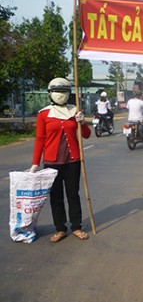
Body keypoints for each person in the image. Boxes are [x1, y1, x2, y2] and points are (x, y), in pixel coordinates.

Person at [29, 77, 91, 243]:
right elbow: (40, 139)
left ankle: (76, 226)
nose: (60, 94)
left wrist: (82, 122)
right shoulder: (44, 114)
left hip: (73, 160)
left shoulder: (75, 111)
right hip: (52, 161)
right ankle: (60, 228)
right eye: (56, 91)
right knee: (56, 196)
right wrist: (35, 163)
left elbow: (86, 134)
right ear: (50, 94)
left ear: (69, 93)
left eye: (63, 91)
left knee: (73, 194)